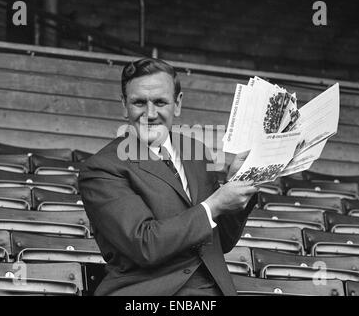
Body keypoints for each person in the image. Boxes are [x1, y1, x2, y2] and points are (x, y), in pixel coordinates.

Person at [78, 57, 257, 296]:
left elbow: (220, 242)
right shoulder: (101, 168)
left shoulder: (197, 153)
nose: (150, 114)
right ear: (124, 106)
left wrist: (237, 183)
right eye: (139, 102)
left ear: (177, 104)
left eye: (160, 102)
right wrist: (214, 205)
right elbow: (145, 245)